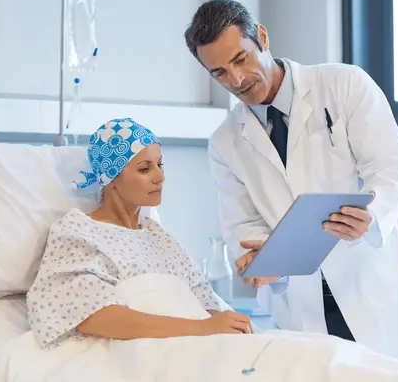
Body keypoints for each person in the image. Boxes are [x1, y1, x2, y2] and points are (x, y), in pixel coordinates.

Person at [183, 0, 398, 364]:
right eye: (220, 73)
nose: (237, 80)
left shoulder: (343, 84)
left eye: (241, 59)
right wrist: (256, 261)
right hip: (300, 307)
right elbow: (242, 227)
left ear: (263, 38)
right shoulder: (225, 143)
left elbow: (392, 169)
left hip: (370, 286)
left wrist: (373, 213)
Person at [27, 117, 254, 350]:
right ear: (110, 178)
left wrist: (223, 327)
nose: (160, 176)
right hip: (144, 350)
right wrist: (202, 329)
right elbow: (92, 315)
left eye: (160, 164)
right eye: (145, 169)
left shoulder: (159, 236)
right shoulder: (78, 232)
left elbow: (203, 299)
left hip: (200, 344)